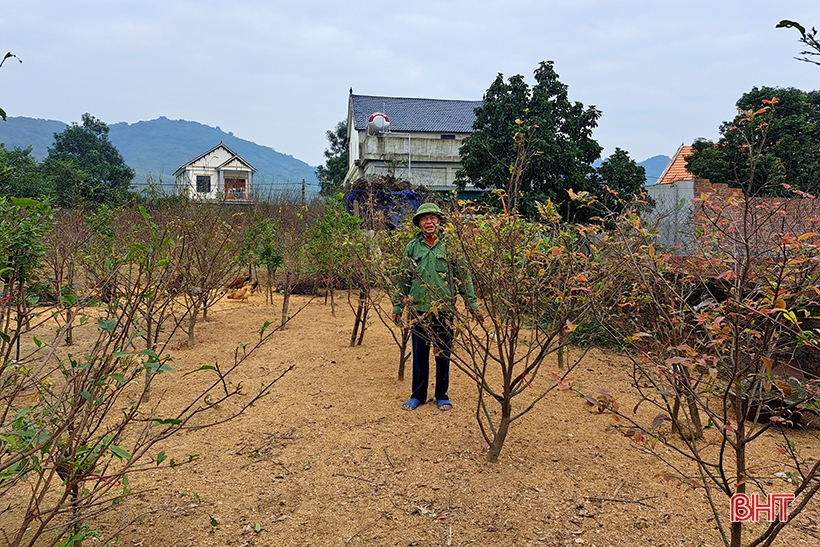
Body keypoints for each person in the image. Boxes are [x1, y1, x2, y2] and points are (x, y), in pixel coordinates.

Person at [392, 202, 480, 411]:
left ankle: (442, 395)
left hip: (444, 310)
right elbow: (404, 278)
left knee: (443, 353)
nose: (429, 222)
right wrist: (397, 306)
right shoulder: (412, 247)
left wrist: (471, 304)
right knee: (419, 356)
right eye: (424, 219)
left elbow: (463, 277)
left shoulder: (451, 246)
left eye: (432, 218)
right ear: (419, 223)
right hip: (419, 310)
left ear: (439, 221)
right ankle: (418, 396)